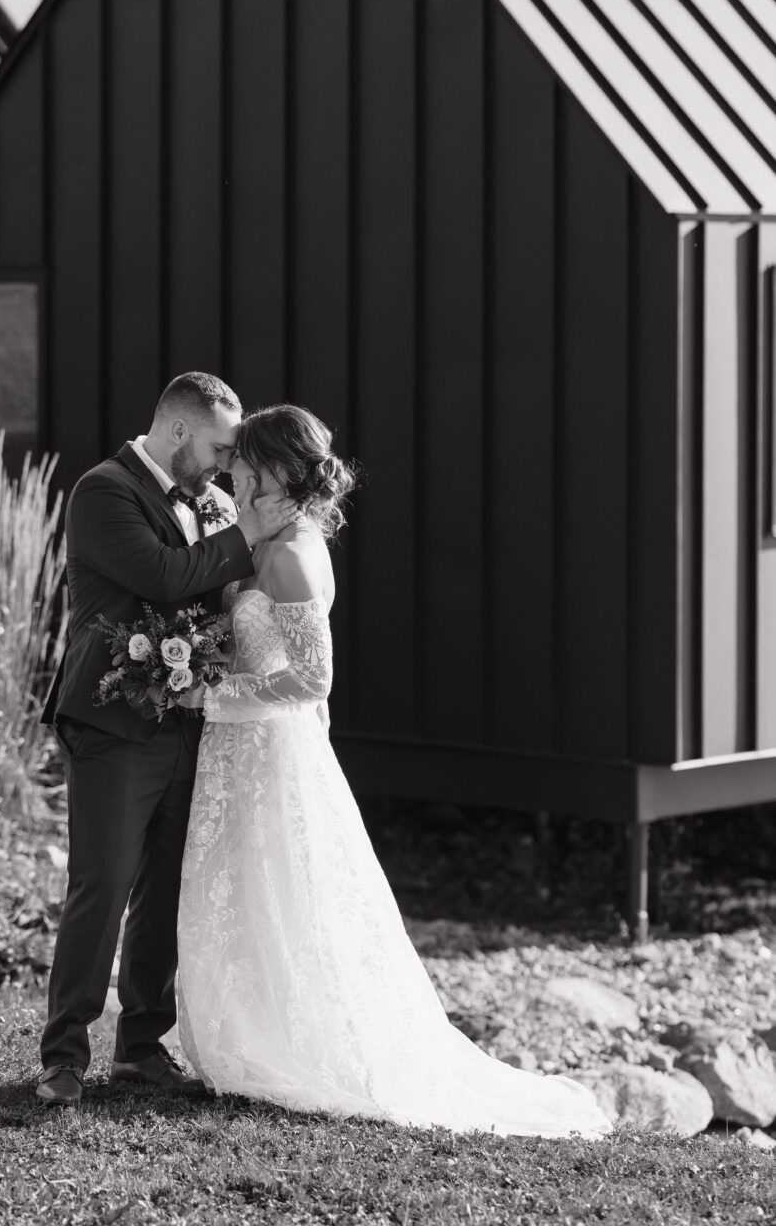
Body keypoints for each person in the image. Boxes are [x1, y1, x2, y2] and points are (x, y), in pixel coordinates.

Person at [176, 404, 612, 1138]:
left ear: (275, 470)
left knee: (286, 893)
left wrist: (209, 692)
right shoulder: (268, 538)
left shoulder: (289, 555)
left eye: (243, 458)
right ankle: (248, 1035)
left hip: (265, 752)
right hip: (243, 748)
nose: (232, 468)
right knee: (250, 890)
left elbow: (313, 681)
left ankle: (295, 1048)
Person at [36, 372, 296, 1109]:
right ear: (179, 430)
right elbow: (160, 576)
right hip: (113, 722)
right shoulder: (103, 490)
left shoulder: (210, 500)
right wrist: (247, 531)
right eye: (217, 446)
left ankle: (143, 1048)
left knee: (167, 888)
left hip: (193, 720)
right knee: (103, 884)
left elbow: (220, 597)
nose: (223, 464)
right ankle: (63, 1057)